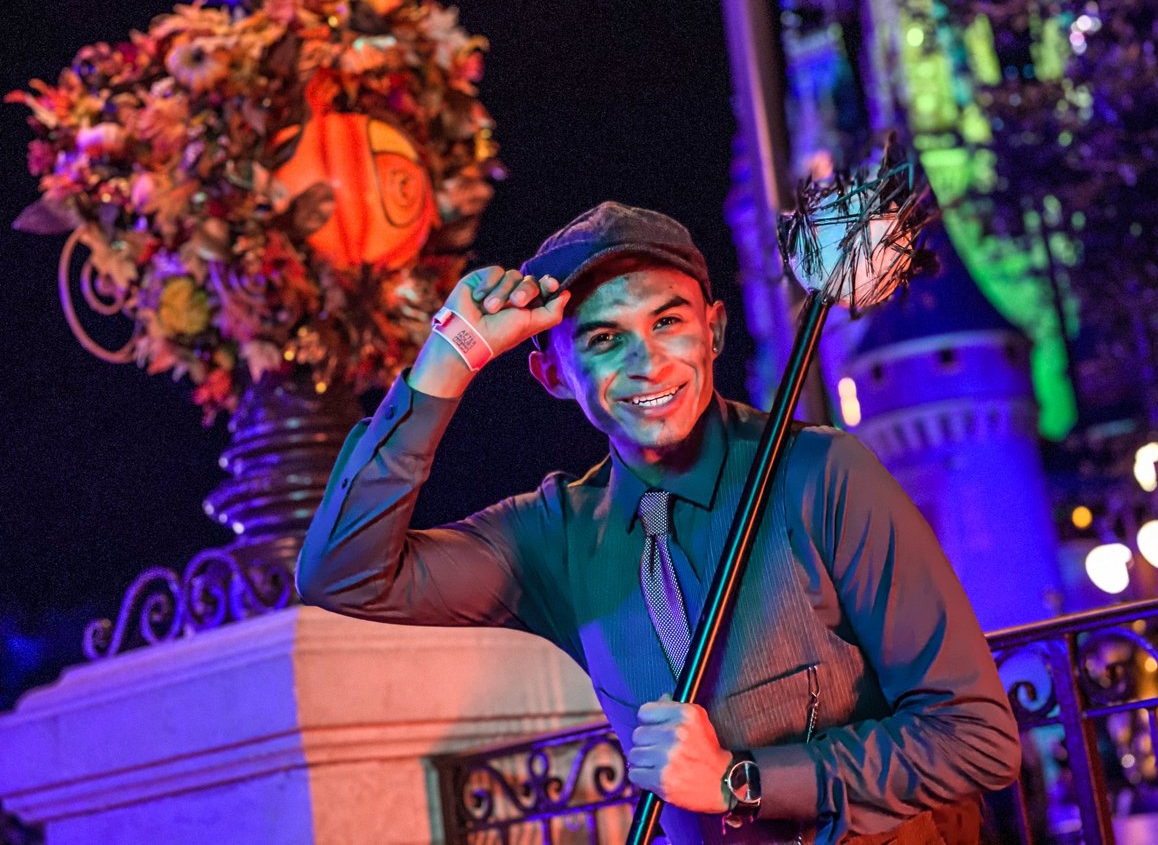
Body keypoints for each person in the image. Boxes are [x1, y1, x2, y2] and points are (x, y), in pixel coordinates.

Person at [296, 202, 1022, 843]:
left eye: (668, 322)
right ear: (554, 375)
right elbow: (344, 574)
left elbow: (976, 739)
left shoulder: (822, 476)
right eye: (604, 339)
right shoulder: (555, 536)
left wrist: (741, 781)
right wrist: (449, 357)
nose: (647, 362)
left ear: (714, 331)